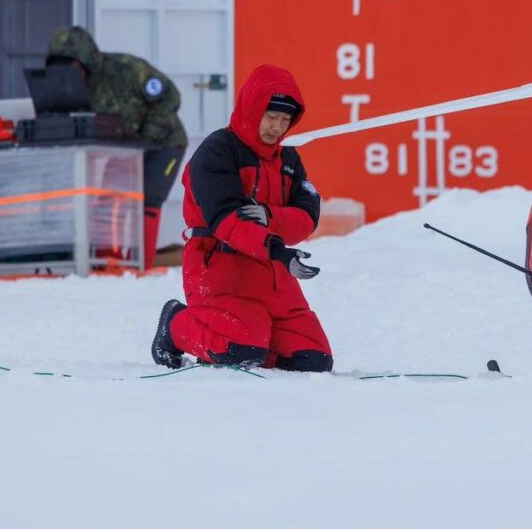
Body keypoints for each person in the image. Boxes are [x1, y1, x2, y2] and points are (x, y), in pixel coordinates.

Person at [150, 64, 332, 372]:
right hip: (221, 268)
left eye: (285, 120)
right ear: (253, 108)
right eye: (271, 116)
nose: (277, 127)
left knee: (313, 360)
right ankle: (176, 324)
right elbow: (226, 220)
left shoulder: (288, 157)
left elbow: (308, 214)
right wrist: (276, 248)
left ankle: (253, 341)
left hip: (273, 277)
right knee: (240, 352)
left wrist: (269, 217)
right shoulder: (217, 151)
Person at [46, 26, 188, 269]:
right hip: (122, 149)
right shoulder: (70, 87)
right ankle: (108, 263)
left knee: (147, 199)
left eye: (74, 66)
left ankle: (142, 265)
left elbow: (170, 96)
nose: (70, 74)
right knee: (109, 201)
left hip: (163, 145)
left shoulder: (127, 69)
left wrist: (147, 137)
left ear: (86, 60)